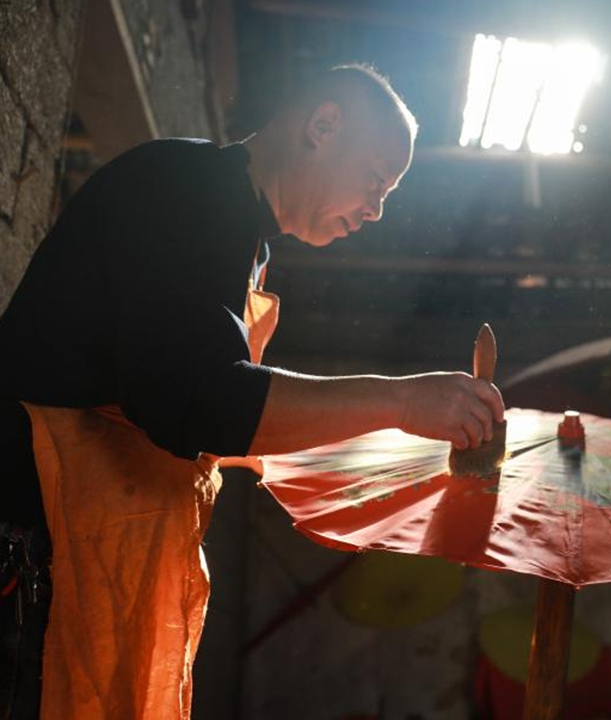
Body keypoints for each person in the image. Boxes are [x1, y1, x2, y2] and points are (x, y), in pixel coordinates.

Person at [0, 64, 504, 719]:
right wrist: (400, 401)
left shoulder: (248, 246)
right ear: (323, 126)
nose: (376, 209)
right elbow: (199, 403)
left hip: (80, 553)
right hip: (25, 537)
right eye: (376, 180)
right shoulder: (190, 188)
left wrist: (379, 456)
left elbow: (192, 404)